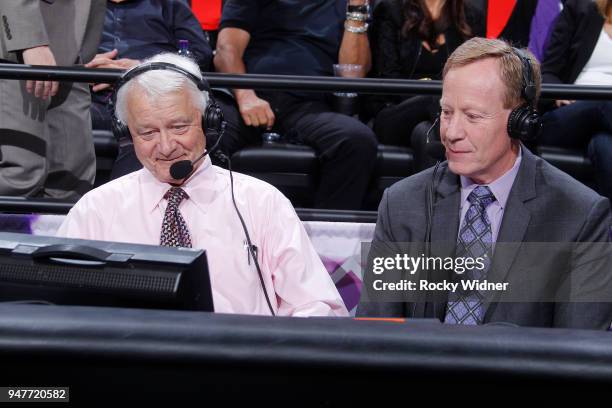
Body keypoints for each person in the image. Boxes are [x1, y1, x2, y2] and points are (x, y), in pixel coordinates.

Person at [56, 53, 349, 317]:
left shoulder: (262, 202)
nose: (166, 146)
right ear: (126, 134)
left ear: (209, 121)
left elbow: (319, 307)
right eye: (147, 132)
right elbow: (61, 311)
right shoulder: (95, 210)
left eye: (179, 127)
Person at [357, 37, 612, 329]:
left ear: (521, 120)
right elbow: (374, 335)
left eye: (473, 116)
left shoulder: (579, 214)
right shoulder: (402, 203)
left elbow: (578, 354)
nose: (451, 133)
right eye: (447, 112)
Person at [213, 0, 378, 210]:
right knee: (211, 129)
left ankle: (329, 234)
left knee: (357, 141)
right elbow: (226, 50)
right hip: (253, 97)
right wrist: (245, 95)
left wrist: (355, 9)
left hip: (311, 106)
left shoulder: (350, 4)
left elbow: (353, 72)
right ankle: (216, 230)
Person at [85, 0, 213, 179]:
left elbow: (200, 54)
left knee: (149, 129)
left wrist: (142, 68)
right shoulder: (79, 7)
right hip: (92, 99)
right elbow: (59, 55)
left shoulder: (169, 4)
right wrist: (85, 64)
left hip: (158, 101)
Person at [0, 0, 106, 200]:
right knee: (21, 174)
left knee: (72, 179)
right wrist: (30, 41)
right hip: (19, 47)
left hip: (73, 48)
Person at [367, 0, 484, 146]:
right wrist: (426, 94)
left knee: (424, 132)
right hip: (395, 110)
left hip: (446, 113)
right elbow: (387, 77)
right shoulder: (391, 10)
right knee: (435, 99)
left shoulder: (469, 15)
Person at [539, 0, 612, 200]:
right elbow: (549, 71)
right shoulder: (581, 9)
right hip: (571, 112)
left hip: (607, 124)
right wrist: (560, 93)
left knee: (603, 144)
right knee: (603, 103)